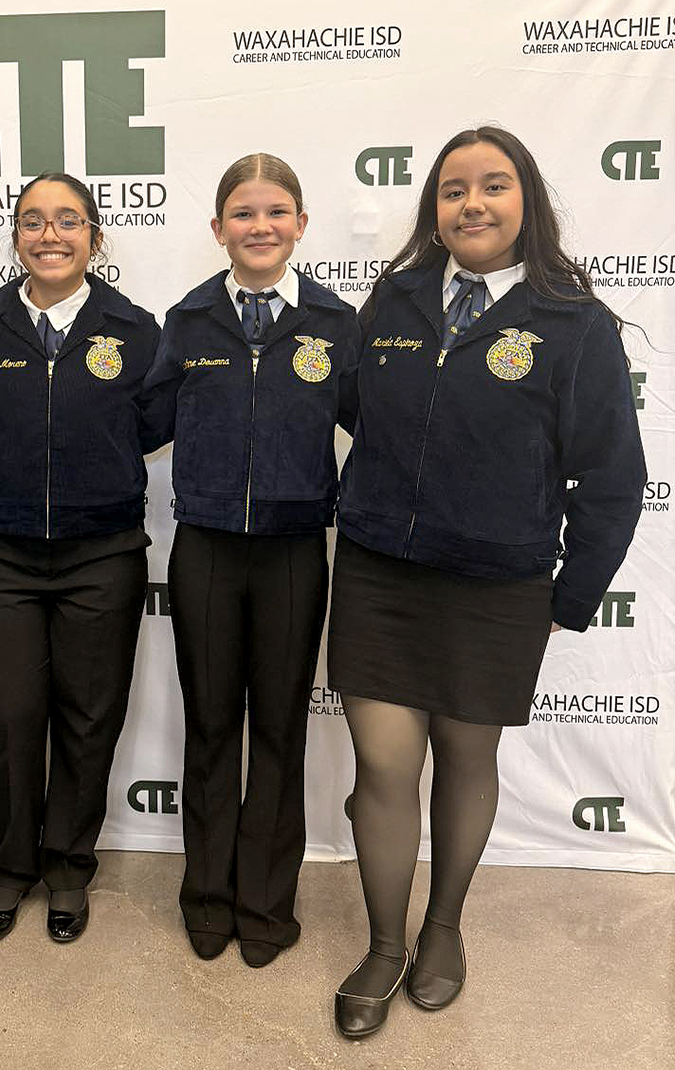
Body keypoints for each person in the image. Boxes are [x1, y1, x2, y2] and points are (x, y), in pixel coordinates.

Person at [328, 126, 647, 1037]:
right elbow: (353, 407)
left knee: (467, 760)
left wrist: (568, 599)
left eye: (493, 185)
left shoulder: (573, 324)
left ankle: (442, 929)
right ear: (434, 208)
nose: (472, 204)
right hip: (380, 573)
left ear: (525, 200)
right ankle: (384, 944)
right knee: (384, 764)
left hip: (498, 585)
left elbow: (612, 478)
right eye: (453, 189)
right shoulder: (392, 299)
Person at [141, 154, 359, 967]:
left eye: (274, 212)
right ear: (218, 228)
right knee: (209, 726)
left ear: (300, 224)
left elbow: (381, 432)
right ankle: (207, 897)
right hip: (204, 549)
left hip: (294, 554)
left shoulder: (336, 322)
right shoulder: (188, 320)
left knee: (277, 729)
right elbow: (142, 424)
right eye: (242, 212)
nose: (259, 226)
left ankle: (265, 904)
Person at [0, 173, 160, 945]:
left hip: (102, 553)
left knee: (88, 714)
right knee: (11, 715)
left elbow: (150, 425)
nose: (50, 235)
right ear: (15, 237)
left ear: (95, 238)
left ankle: (69, 867)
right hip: (2, 553)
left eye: (68, 221)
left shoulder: (134, 329)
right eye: (33, 221)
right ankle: (13, 864)